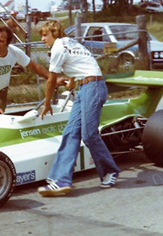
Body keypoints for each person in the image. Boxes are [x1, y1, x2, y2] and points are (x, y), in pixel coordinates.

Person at [37, 20, 120, 196]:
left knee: (89, 134)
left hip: (93, 87)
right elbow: (82, 62)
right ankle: (61, 180)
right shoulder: (71, 42)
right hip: (86, 87)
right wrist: (73, 81)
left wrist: (46, 104)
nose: (43, 38)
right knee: (71, 132)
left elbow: (51, 80)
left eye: (45, 35)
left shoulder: (58, 47)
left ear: (54, 33)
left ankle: (110, 170)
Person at [0, 25, 66, 135]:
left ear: (8, 42)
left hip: (0, 92)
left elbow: (34, 66)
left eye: (0, 41)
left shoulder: (15, 52)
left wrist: (53, 79)